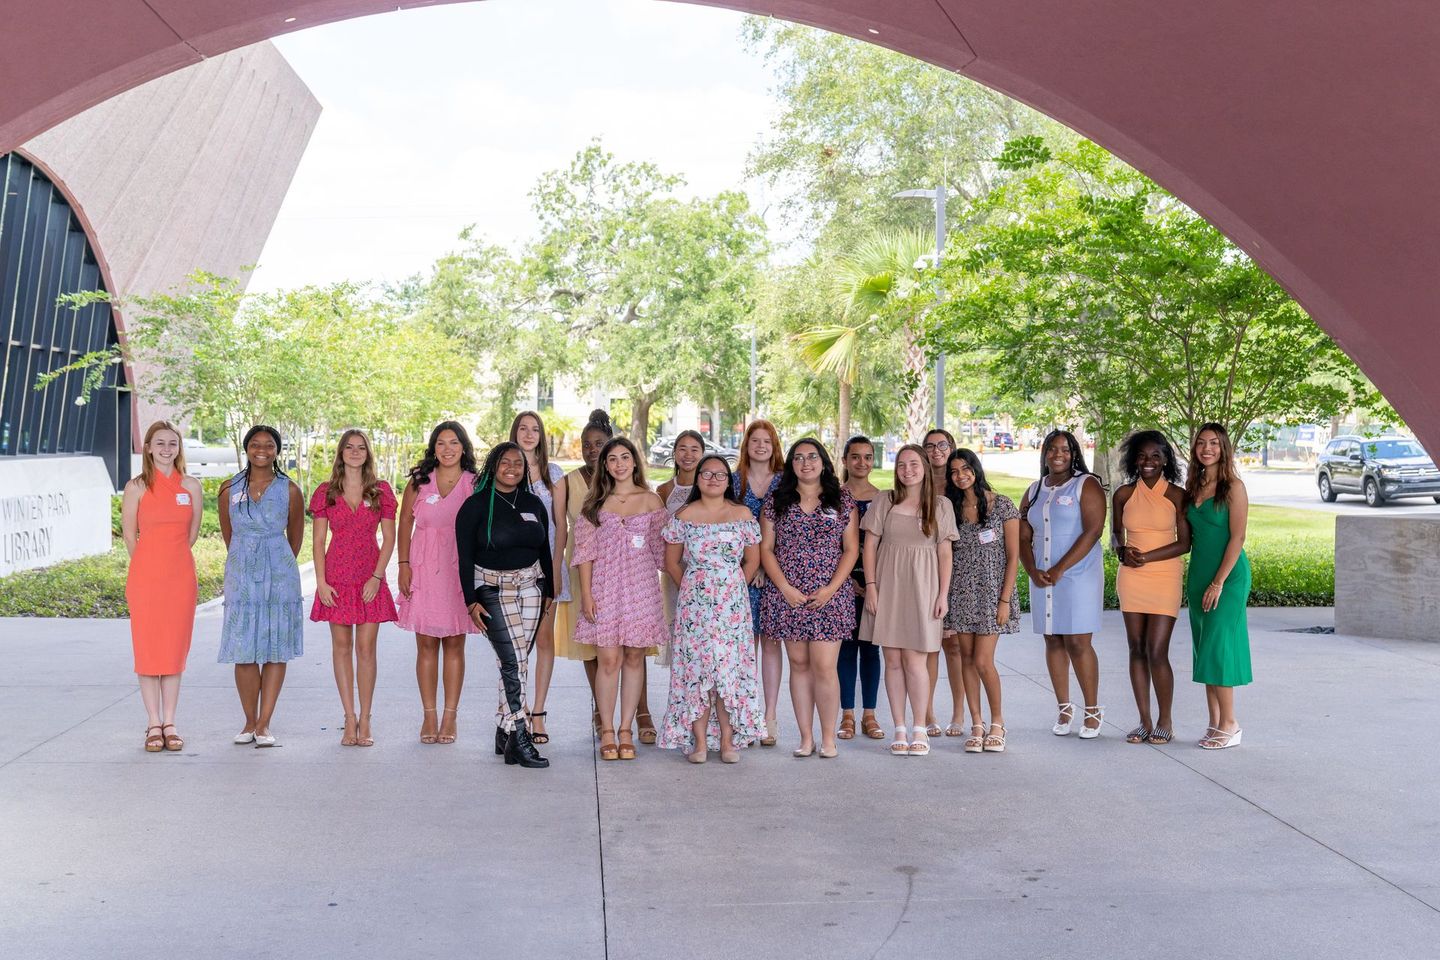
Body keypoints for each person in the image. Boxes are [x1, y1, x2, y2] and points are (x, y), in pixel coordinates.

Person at [659, 454, 766, 763]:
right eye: (707, 474)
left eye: (720, 475)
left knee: (728, 671)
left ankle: (729, 742)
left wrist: (732, 587)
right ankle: (700, 743)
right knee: (697, 671)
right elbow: (671, 562)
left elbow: (753, 560)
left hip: (733, 607)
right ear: (698, 478)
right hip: (695, 608)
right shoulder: (684, 515)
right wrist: (694, 586)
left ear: (727, 481)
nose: (713, 479)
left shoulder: (742, 514)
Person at [455, 442, 554, 769]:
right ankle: (519, 736)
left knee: (517, 660)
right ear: (494, 465)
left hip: (531, 589)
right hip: (492, 590)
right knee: (514, 662)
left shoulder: (533, 502)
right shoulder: (475, 506)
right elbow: (464, 557)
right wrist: (471, 601)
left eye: (518, 463)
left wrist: (549, 590)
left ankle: (503, 729)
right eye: (505, 462)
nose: (512, 468)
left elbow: (545, 549)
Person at [760, 439, 859, 758]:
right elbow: (765, 549)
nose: (805, 463)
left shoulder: (842, 499)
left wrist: (831, 588)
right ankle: (806, 738)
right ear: (791, 464)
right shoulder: (776, 501)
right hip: (788, 594)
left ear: (823, 462)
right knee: (799, 665)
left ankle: (828, 738)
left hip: (829, 595)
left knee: (824, 666)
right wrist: (785, 588)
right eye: (798, 458)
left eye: (812, 457)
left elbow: (851, 549)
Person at [574, 437, 669, 762]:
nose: (618, 464)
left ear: (634, 461)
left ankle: (626, 729)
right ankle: (608, 731)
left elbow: (663, 553)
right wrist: (586, 594)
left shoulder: (653, 501)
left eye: (624, 457)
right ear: (605, 465)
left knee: (633, 657)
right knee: (608, 660)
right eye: (612, 459)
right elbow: (584, 553)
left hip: (641, 589)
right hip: (605, 588)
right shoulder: (595, 503)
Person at [861, 444, 957, 757]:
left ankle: (919, 727)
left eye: (914, 464)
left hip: (924, 588)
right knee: (892, 660)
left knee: (916, 660)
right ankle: (899, 727)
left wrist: (943, 594)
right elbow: (870, 546)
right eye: (901, 464)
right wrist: (872, 588)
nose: (907, 470)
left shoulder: (940, 505)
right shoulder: (884, 500)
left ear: (925, 468)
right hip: (888, 586)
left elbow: (945, 553)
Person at [217, 425, 304, 748]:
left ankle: (265, 723)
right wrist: (244, 560)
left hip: (279, 575)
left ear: (277, 451)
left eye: (269, 445)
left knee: (274, 647)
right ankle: (249, 720)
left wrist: (276, 563)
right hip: (241, 574)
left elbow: (295, 537)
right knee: (243, 648)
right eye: (255, 444)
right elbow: (230, 534)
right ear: (246, 448)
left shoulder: (289, 489)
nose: (262, 449)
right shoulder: (229, 488)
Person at [310, 428, 397, 747]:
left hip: (369, 577)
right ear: (341, 453)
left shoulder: (381, 491)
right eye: (349, 447)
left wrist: (377, 576)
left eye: (361, 447)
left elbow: (389, 539)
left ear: (368, 453)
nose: (355, 451)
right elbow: (318, 541)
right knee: (342, 648)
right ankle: (349, 718)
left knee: (366, 649)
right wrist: (320, 582)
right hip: (336, 578)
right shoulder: (325, 492)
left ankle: (366, 718)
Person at [1019, 430, 1107, 740]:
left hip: (1078, 575)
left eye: (1066, 449)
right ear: (1044, 453)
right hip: (1042, 575)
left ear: (1074, 454)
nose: (1059, 454)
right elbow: (1023, 535)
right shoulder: (1034, 489)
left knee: (1078, 642)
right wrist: (1032, 570)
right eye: (1053, 449)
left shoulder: (1087, 484)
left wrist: (1060, 568)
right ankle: (1064, 707)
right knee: (1053, 640)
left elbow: (1094, 531)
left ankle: (1093, 710)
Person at [121, 421, 203, 752]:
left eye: (173, 442)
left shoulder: (191, 486)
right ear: (149, 448)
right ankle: (152, 722)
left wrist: (172, 561)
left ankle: (170, 722)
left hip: (180, 578)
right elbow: (129, 534)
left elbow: (192, 533)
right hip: (146, 578)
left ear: (179, 448)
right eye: (160, 443)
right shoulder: (136, 487)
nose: (167, 448)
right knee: (148, 649)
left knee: (172, 650)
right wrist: (148, 564)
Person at [396, 421, 478, 745]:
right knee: (426, 644)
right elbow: (405, 522)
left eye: (454, 443)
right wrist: (402, 565)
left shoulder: (474, 482)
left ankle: (450, 716)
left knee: (456, 644)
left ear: (463, 447)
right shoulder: (419, 481)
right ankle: (429, 713)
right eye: (441, 443)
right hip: (423, 567)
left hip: (459, 569)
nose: (447, 449)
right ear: (434, 447)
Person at [1112, 430, 1190, 745]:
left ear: (1166, 460)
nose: (1148, 462)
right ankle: (1144, 720)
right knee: (1136, 649)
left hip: (1165, 575)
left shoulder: (1176, 495)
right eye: (1143, 456)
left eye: (1155, 456)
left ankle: (1165, 720)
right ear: (1134, 460)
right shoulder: (1122, 494)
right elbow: (1116, 533)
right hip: (1131, 577)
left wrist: (1146, 556)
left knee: (1157, 651)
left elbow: (1184, 543)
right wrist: (1122, 551)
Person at [943, 448, 1020, 754]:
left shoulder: (1002, 505)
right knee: (965, 658)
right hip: (960, 592)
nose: (960, 476)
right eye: (953, 471)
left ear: (976, 469)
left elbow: (1014, 558)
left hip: (991, 594)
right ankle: (976, 723)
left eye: (965, 469)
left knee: (982, 661)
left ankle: (998, 722)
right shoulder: (951, 508)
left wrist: (1004, 600)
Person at [1185, 423, 1251, 750]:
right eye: (1201, 443)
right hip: (1198, 574)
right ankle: (1213, 723)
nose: (1207, 448)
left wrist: (1218, 582)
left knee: (1218, 648)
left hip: (1227, 577)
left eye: (1213, 443)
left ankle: (1231, 723)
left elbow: (1237, 537)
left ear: (1223, 448)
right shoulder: (1193, 486)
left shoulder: (1233, 487)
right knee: (1203, 649)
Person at [511, 410, 564, 745]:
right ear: (514, 432)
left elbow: (561, 526)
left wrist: (556, 569)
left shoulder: (553, 473)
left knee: (544, 640)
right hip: (509, 569)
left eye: (535, 429)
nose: (529, 434)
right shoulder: (504, 468)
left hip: (545, 567)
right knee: (515, 646)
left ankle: (539, 712)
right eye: (523, 428)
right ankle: (515, 712)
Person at [732, 419, 785, 745]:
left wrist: (768, 566)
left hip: (776, 575)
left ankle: (769, 716)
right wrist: (749, 567)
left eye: (767, 440)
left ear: (774, 445)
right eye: (755, 440)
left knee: (771, 644)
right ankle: (745, 715)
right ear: (747, 445)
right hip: (741, 574)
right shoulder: (735, 481)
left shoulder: (785, 482)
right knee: (743, 648)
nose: (761, 445)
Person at [838, 436, 884, 741]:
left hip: (874, 586)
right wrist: (845, 581)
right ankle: (847, 715)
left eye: (868, 457)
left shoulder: (883, 498)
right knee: (844, 649)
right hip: (840, 583)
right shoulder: (834, 497)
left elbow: (885, 546)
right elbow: (828, 545)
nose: (862, 463)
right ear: (845, 460)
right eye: (855, 457)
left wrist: (874, 584)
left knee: (870, 649)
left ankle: (870, 714)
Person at [922, 428, 960, 739]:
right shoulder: (917, 483)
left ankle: (958, 713)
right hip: (925, 571)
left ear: (952, 448)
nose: (937, 451)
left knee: (956, 646)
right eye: (930, 446)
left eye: (942, 445)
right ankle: (928, 712)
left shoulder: (961, 480)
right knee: (931, 645)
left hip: (960, 569)